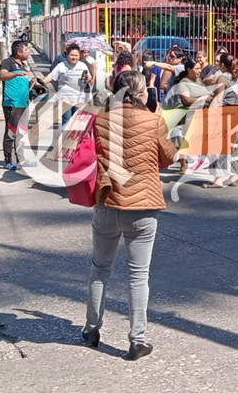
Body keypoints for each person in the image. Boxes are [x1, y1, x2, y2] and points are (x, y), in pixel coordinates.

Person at [83, 70, 178, 361]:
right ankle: (137, 340)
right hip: (143, 205)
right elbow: (169, 157)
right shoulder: (153, 120)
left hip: (108, 201)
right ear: (139, 93)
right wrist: (160, 122)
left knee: (100, 269)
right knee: (138, 276)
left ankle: (91, 329)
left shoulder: (100, 118)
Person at [206, 53, 238, 188]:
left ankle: (218, 179)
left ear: (222, 64)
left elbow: (218, 99)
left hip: (225, 113)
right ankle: (232, 176)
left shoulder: (222, 78)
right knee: (234, 145)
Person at [0, 40, 37, 170]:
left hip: (23, 103)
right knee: (11, 132)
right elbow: (3, 76)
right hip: (11, 104)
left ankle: (21, 159)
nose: (29, 52)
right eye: (27, 50)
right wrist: (16, 73)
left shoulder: (24, 65)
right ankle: (8, 160)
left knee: (22, 133)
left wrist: (33, 84)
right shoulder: (7, 62)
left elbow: (25, 81)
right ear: (19, 52)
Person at [44, 43, 91, 125]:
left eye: (76, 55)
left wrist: (87, 78)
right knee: (66, 120)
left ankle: (73, 137)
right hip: (65, 98)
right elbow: (51, 77)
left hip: (79, 98)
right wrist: (40, 83)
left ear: (79, 55)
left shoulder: (83, 66)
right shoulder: (61, 66)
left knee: (76, 121)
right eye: (72, 55)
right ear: (67, 55)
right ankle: (63, 137)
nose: (74, 57)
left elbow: (89, 78)